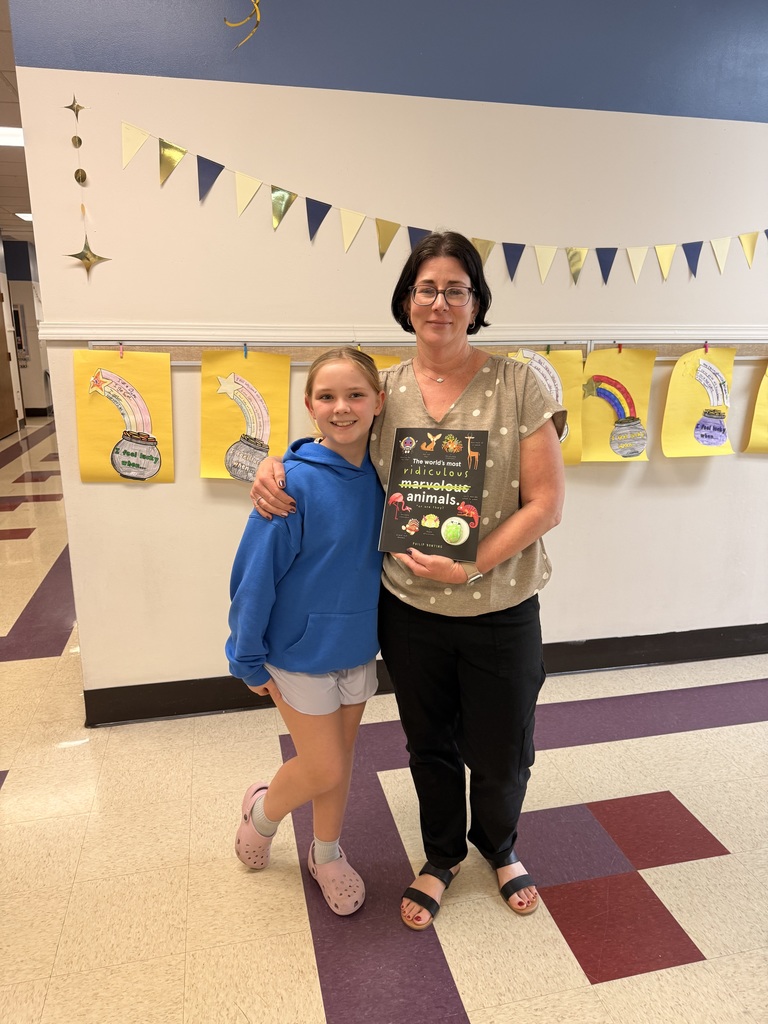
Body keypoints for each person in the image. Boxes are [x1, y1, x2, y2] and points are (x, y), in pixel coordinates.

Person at [251, 232, 566, 930]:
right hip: (410, 610)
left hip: (500, 602)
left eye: (456, 289)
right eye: (427, 289)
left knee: (504, 748)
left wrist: (471, 563)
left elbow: (546, 503)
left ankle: (501, 847)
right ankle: (443, 854)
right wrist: (276, 463)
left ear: (476, 302)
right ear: (406, 300)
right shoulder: (386, 389)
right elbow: (334, 436)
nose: (440, 302)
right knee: (429, 744)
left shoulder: (520, 384)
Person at [226, 347, 385, 916]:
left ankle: (326, 853)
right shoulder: (288, 484)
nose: (342, 407)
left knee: (338, 760)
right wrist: (245, 657)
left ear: (378, 402)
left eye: (355, 395)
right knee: (324, 766)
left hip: (358, 647)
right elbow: (253, 577)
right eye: (327, 396)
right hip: (295, 653)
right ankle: (262, 814)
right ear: (309, 405)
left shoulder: (389, 476)